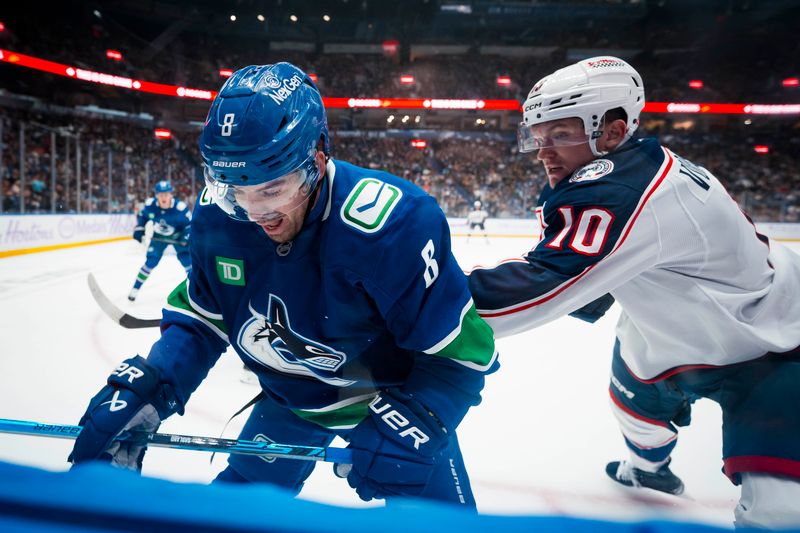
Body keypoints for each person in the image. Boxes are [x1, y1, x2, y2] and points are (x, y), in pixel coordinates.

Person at [69, 63, 498, 509]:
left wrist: (420, 418)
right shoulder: (219, 214)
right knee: (228, 517)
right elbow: (204, 316)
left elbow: (460, 355)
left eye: (272, 188)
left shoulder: (395, 225)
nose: (254, 212)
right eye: (235, 186)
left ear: (316, 158)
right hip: (291, 401)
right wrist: (158, 381)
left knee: (442, 523)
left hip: (390, 403)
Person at [467, 56, 800, 528]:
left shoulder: (620, 188)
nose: (543, 153)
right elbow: (599, 272)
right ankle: (649, 473)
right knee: (634, 411)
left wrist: (416, 297)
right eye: (538, 138)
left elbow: (540, 285)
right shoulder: (639, 168)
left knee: (777, 516)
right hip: (674, 331)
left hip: (776, 343)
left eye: (559, 135)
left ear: (614, 131)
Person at [127, 180, 192, 301]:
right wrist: (139, 228)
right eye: (161, 194)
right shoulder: (150, 205)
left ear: (171, 194)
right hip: (159, 238)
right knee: (150, 262)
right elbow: (143, 217)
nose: (164, 197)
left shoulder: (180, 208)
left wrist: (186, 238)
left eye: (166, 194)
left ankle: (197, 293)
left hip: (178, 238)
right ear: (156, 195)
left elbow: (190, 226)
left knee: (188, 263)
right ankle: (134, 290)